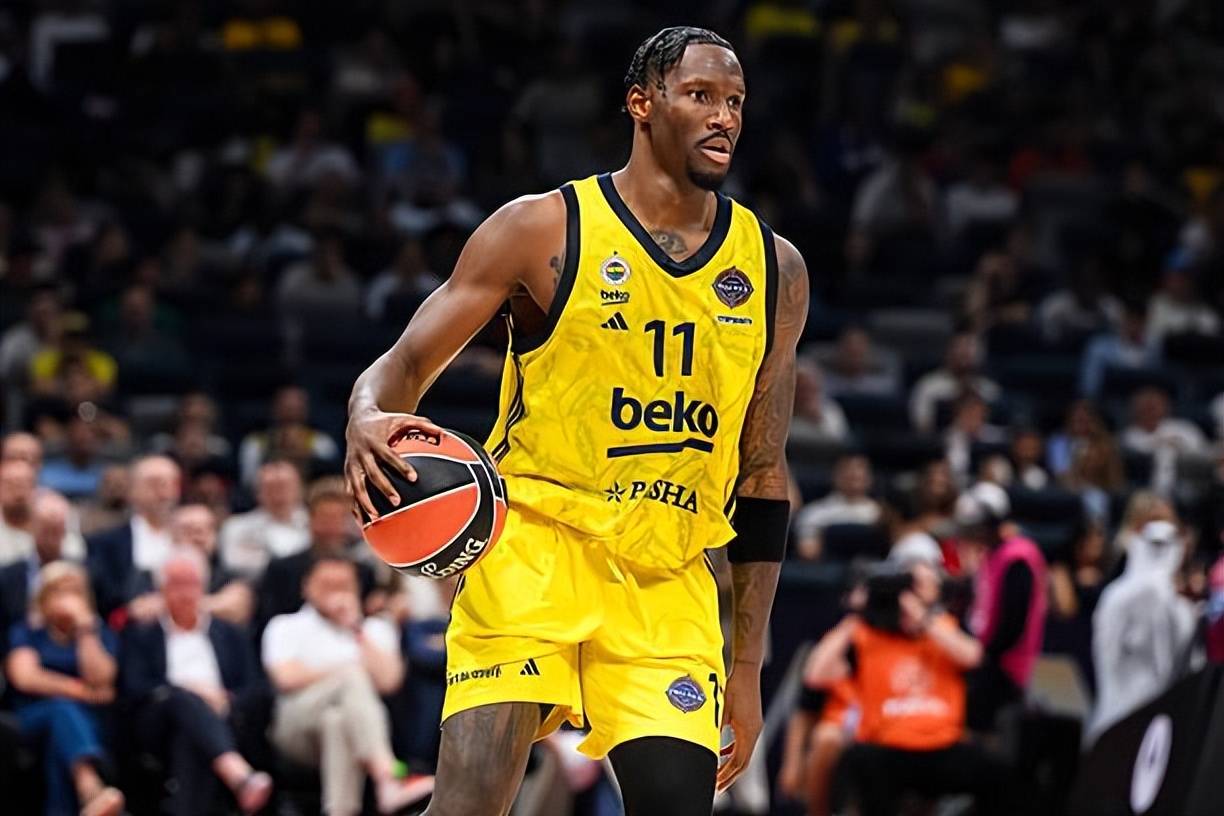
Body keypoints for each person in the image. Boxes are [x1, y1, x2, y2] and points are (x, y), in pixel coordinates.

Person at [344, 26, 807, 815]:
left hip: (668, 579)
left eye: (734, 101)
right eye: (700, 95)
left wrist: (746, 668)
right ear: (642, 104)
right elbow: (406, 363)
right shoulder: (541, 229)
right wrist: (366, 412)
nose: (723, 116)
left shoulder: (773, 268)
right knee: (469, 805)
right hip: (534, 548)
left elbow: (763, 476)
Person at [804, 563, 1001, 816]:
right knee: (859, 763)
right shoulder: (867, 635)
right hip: (887, 747)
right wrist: (857, 615)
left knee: (997, 772)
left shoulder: (942, 628)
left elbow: (973, 657)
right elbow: (815, 674)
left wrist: (922, 618)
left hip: (942, 745)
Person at [262, 557, 433, 815]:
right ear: (306, 587)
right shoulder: (286, 625)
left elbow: (389, 681)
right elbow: (285, 678)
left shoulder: (374, 628)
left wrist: (355, 628)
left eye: (344, 585)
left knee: (337, 721)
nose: (336, 593)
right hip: (296, 726)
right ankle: (388, 774)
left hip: (351, 730)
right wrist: (342, 672)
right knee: (352, 676)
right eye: (327, 585)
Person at [120, 551, 273, 816]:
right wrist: (191, 692)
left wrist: (225, 699)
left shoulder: (231, 634)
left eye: (191, 584)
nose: (185, 593)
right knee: (183, 702)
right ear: (161, 590)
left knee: (191, 736)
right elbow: (134, 688)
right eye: (176, 585)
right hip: (160, 719)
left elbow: (254, 686)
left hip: (224, 716)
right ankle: (236, 771)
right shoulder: (142, 635)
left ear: (203, 587)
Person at [4, 562, 124, 816]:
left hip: (84, 725)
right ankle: (89, 787)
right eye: (59, 591)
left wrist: (85, 631)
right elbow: (25, 677)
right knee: (62, 710)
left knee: (61, 739)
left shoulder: (97, 633)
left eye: (75, 591)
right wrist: (82, 692)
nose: (67, 599)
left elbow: (102, 679)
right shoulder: (27, 631)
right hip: (32, 718)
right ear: (43, 598)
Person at [1088, 520, 1197, 743]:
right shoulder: (1120, 596)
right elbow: (1104, 652)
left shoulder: (1179, 608)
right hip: (1119, 704)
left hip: (1156, 715)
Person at [957, 482, 1048, 733]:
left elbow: (1013, 621)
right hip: (986, 657)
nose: (973, 535)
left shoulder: (1018, 557)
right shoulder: (991, 554)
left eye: (977, 528)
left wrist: (984, 655)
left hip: (1006, 666)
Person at [255, 478, 374, 632]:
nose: (331, 527)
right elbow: (268, 621)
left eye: (337, 518)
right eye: (325, 518)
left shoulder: (363, 572)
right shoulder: (282, 570)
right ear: (310, 519)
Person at [86, 454, 181, 622]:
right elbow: (101, 598)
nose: (164, 492)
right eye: (154, 483)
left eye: (170, 484)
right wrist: (131, 610)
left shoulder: (192, 537)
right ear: (132, 490)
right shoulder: (105, 544)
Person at [0, 490, 77, 652]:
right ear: (32, 527)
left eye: (56, 529)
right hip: (17, 651)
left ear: (65, 529)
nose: (51, 538)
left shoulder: (81, 573)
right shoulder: (8, 577)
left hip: (72, 652)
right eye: (45, 529)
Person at [219, 459, 310, 581]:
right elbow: (232, 562)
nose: (278, 494)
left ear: (299, 489)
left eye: (284, 486)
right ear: (257, 492)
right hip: (255, 586)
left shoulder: (314, 524)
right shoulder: (236, 526)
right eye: (271, 487)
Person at [236, 385, 339, 488]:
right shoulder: (255, 443)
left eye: (296, 408)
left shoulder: (321, 443)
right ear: (274, 408)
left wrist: (306, 457)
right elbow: (248, 483)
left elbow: (330, 481)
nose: (291, 413)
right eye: (286, 407)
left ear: (306, 409)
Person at [170, 504, 255, 626]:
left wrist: (172, 605)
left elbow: (237, 606)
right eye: (188, 531)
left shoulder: (230, 577)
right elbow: (143, 608)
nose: (198, 538)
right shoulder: (153, 575)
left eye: (204, 530)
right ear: (172, 536)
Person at [792, 454, 882, 560]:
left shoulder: (881, 513)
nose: (854, 474)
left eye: (860, 471)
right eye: (848, 471)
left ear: (870, 478)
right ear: (835, 476)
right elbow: (808, 553)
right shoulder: (814, 512)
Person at [908, 332, 1000, 434]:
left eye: (968, 352)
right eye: (960, 351)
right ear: (948, 353)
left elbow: (996, 426)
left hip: (982, 441)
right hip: (940, 440)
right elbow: (922, 425)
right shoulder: (929, 385)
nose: (964, 354)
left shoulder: (988, 388)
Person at [0, 458, 37, 565]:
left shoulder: (50, 521)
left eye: (23, 485)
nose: (17, 492)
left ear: (34, 488)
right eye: (10, 485)